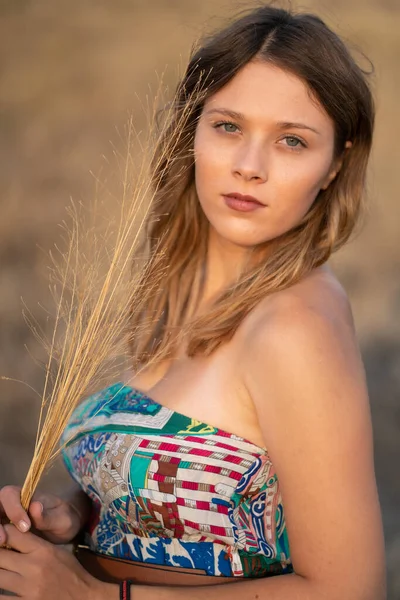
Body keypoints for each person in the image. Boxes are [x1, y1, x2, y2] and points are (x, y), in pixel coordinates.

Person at [0, 4, 386, 599]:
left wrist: (93, 595)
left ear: (335, 163)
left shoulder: (294, 324)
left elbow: (348, 589)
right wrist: (80, 514)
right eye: (228, 126)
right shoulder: (180, 291)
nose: (248, 167)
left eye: (292, 141)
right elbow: (201, 494)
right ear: (191, 129)